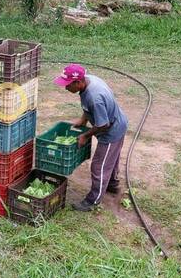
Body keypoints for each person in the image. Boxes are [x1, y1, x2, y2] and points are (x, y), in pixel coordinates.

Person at [53, 64, 128, 212]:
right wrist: (84, 120)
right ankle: (112, 185)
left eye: (68, 85)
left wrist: (86, 136)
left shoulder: (95, 97)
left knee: (99, 166)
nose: (66, 88)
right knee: (110, 160)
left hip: (111, 131)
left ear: (78, 82)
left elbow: (103, 125)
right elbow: (88, 107)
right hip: (115, 122)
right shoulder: (89, 81)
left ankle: (93, 200)